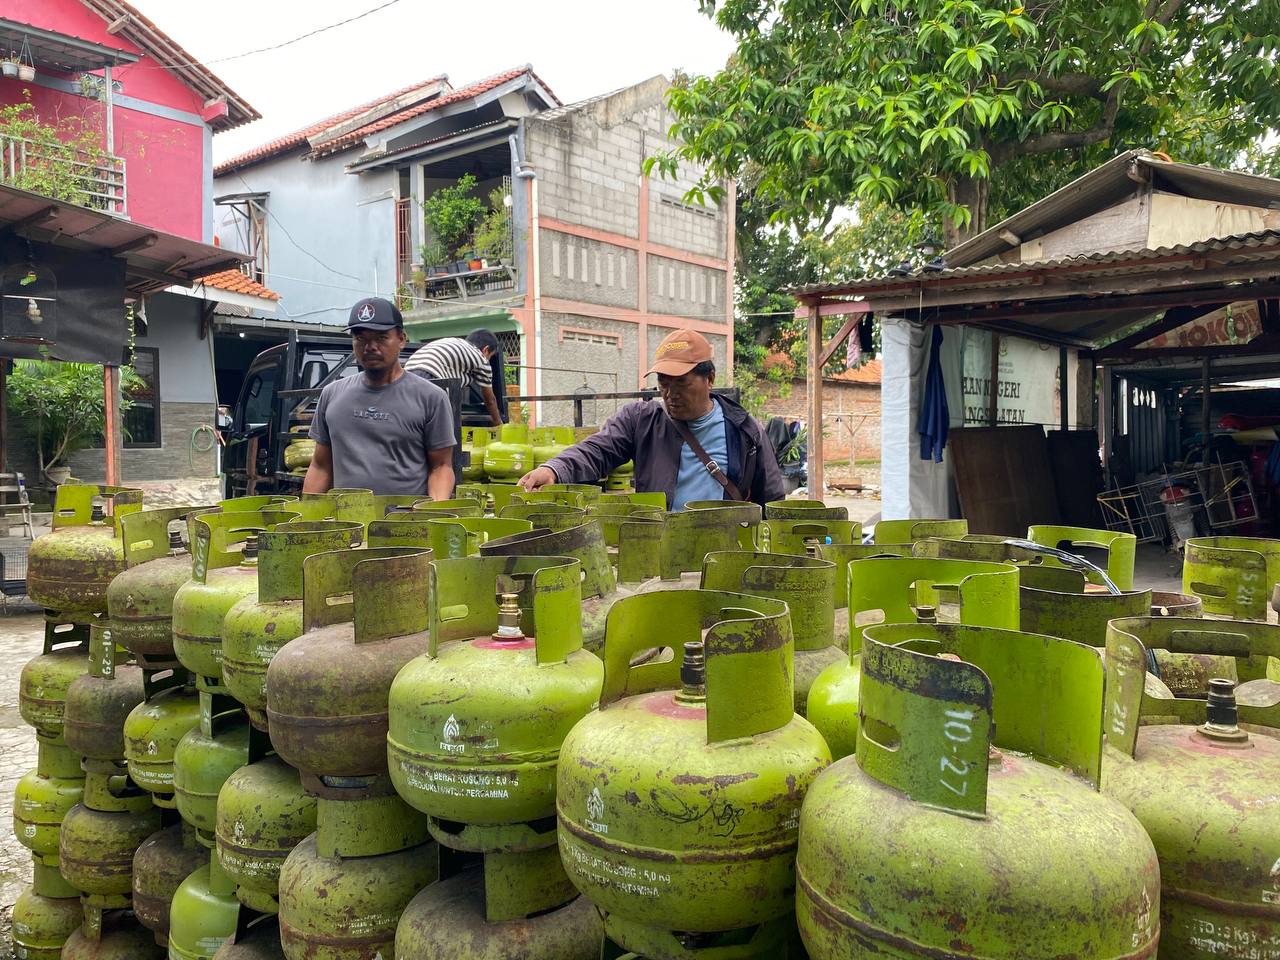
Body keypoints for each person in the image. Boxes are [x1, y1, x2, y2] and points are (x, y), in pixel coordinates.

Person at [517, 328, 783, 509]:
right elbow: (596, 450)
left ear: (709, 379)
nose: (670, 394)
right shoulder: (641, 420)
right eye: (663, 384)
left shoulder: (745, 431)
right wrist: (554, 469)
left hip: (721, 554)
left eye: (681, 383)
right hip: (658, 550)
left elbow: (771, 500)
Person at [303, 296, 456, 499]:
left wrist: (433, 515)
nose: (370, 346)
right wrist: (306, 515)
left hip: (405, 523)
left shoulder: (431, 398)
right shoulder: (332, 395)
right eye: (361, 338)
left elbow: (441, 467)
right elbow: (321, 466)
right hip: (347, 524)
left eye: (381, 338)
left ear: (401, 339)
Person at [404, 329, 505, 427]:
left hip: (406, 375)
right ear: (486, 350)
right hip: (431, 375)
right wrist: (498, 423)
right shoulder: (481, 359)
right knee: (442, 426)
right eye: (490, 356)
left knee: (411, 421)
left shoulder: (456, 343)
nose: (488, 359)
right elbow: (490, 400)